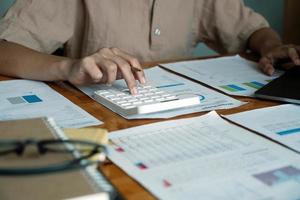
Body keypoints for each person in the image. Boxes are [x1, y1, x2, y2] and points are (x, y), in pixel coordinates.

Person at [0, 0, 299, 95]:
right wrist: (69, 66)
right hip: (103, 123)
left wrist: (271, 45)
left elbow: (249, 29)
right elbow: (3, 49)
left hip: (183, 117)